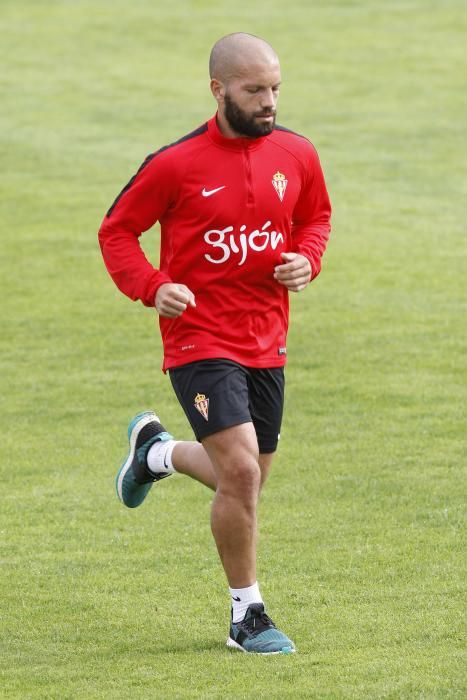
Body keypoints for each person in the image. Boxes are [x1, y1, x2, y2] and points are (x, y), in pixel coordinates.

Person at [98, 32, 331, 655]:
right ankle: (246, 616)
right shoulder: (174, 165)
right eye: (255, 90)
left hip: (267, 338)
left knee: (248, 479)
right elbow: (117, 231)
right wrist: (152, 287)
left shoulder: (297, 154)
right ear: (219, 89)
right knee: (241, 470)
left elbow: (315, 219)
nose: (269, 102)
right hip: (198, 336)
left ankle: (156, 454)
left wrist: (306, 260)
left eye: (275, 88)